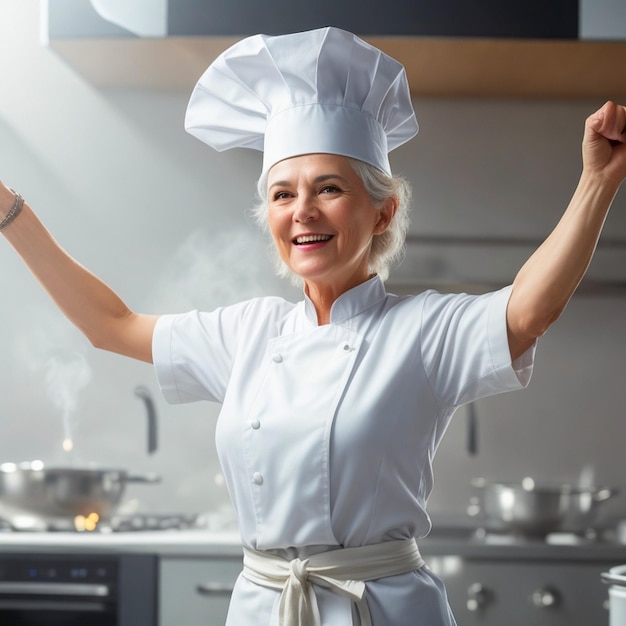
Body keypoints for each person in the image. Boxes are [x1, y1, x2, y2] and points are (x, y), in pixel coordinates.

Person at [1, 25, 625, 626]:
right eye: (281, 194)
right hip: (263, 605)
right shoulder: (246, 334)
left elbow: (528, 309)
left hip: (379, 609)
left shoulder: (423, 331)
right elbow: (110, 324)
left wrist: (597, 181)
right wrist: (11, 216)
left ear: (384, 213)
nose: (302, 211)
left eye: (328, 188)